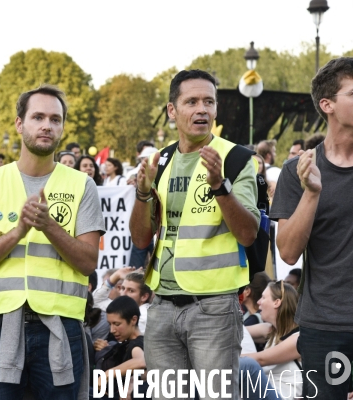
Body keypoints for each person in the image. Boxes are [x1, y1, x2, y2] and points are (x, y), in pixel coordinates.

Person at [0, 84, 105, 399]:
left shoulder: (82, 185)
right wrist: (18, 231)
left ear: (63, 128)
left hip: (60, 324)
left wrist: (48, 225)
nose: (46, 125)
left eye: (55, 119)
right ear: (19, 123)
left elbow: (88, 262)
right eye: (37, 117)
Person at [129, 69, 260, 398]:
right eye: (191, 101)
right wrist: (143, 194)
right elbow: (141, 240)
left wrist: (219, 185)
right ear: (172, 111)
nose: (202, 109)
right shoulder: (160, 161)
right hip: (161, 306)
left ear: (216, 110)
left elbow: (248, 234)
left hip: (214, 307)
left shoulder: (236, 158)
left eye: (209, 102)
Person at [271, 57, 353, 399]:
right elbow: (288, 252)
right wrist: (312, 194)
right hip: (326, 326)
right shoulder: (297, 171)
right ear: (328, 104)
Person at [241, 281, 302, 400]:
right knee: (238, 330)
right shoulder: (271, 331)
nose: (258, 302)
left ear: (277, 302)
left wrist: (221, 361)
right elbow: (234, 332)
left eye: (263, 297)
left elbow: (260, 359)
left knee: (248, 365)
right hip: (266, 392)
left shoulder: (298, 338)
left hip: (282, 397)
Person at [94, 296, 146, 400]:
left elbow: (141, 361)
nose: (112, 330)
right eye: (110, 324)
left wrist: (107, 375)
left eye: (117, 324)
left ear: (133, 320)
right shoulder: (125, 342)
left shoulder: (136, 345)